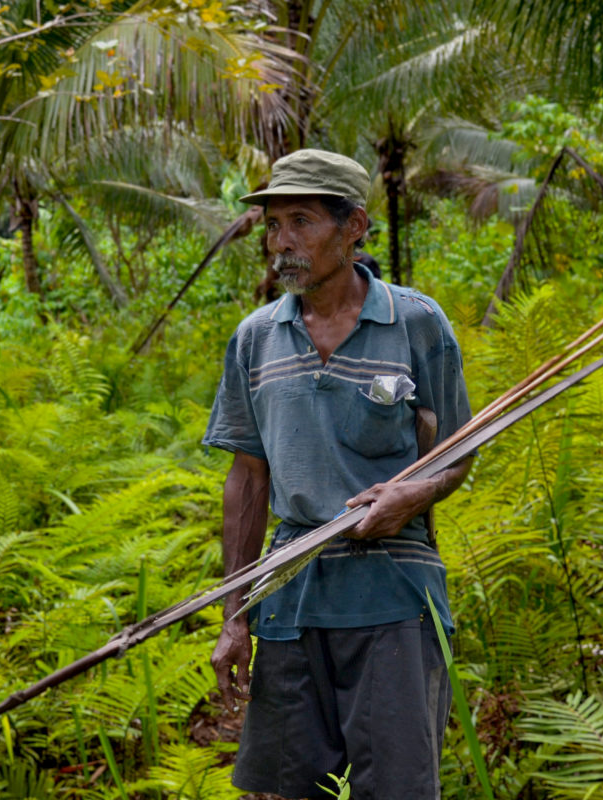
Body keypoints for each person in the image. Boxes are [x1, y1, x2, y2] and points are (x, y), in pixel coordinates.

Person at [202, 149, 473, 800]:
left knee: (398, 789)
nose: (282, 242)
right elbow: (247, 481)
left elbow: (461, 451)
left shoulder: (415, 322)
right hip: (291, 597)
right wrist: (234, 614)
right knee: (284, 788)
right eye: (272, 225)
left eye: (301, 221)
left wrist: (413, 494)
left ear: (354, 228)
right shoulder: (256, 339)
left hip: (394, 599)